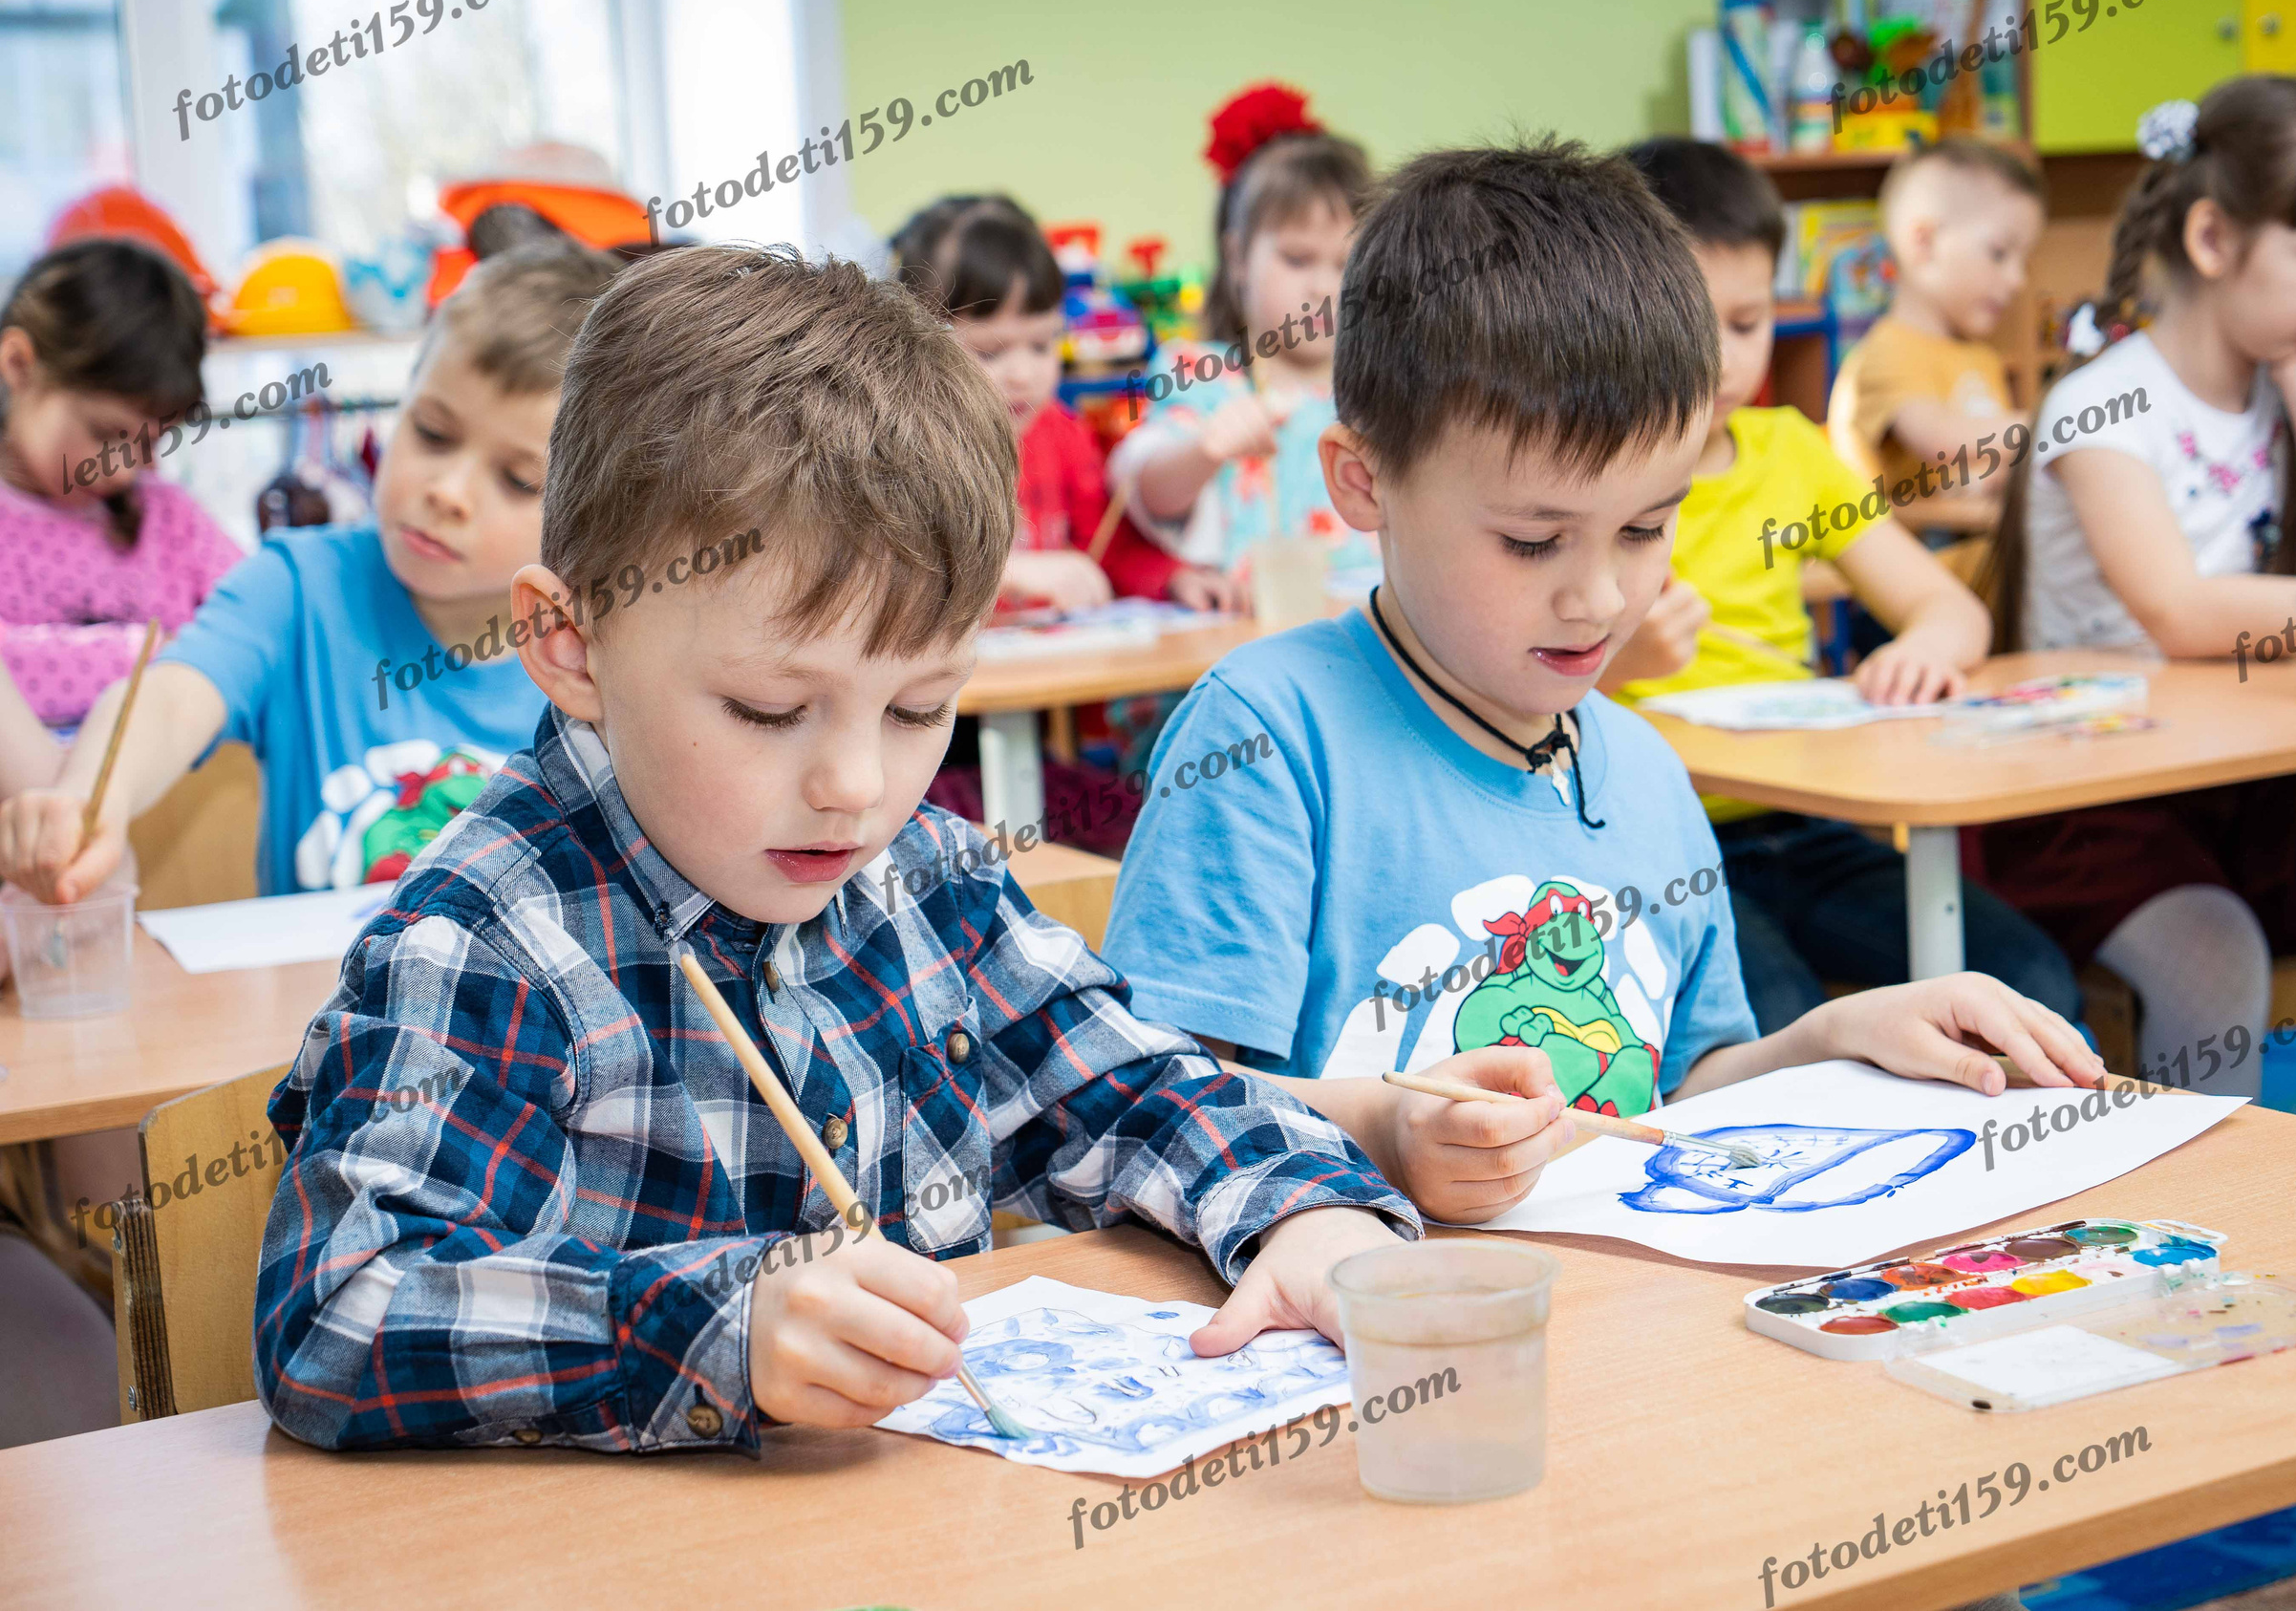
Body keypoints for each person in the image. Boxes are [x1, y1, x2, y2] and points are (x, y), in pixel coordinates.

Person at [248, 246, 1423, 1452]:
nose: (857, 789)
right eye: (767, 711)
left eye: (919, 710)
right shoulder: (485, 941)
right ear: (568, 643)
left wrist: (1315, 1221)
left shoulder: (931, 882)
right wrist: (716, 1327)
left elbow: (1139, 1091)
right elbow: (339, 1310)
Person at [1103, 139, 2099, 1234]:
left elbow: (1679, 1087)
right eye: (1532, 541)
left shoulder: (1644, 769)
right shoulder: (1265, 741)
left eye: (1644, 528)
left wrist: (1830, 1040)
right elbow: (1153, 1114)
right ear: (1363, 480)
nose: (1599, 598)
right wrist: (1385, 1132)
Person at [1979, 79, 2296, 1137]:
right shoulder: (2101, 403)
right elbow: (2180, 612)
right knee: (2213, 959)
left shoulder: (2288, 390)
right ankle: (2203, 1252)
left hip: (2254, 786)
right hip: (2089, 799)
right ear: (2211, 238)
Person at [1605, 137, 2080, 1033]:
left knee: (2028, 979)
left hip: (1807, 819)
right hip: (1651, 842)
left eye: (1746, 325)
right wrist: (1618, 665)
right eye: (1685, 325)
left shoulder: (1791, 452)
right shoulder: (1583, 477)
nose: (1719, 361)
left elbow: (1950, 607)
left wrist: (1923, 648)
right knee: (1768, 1019)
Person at [0, 242, 621, 901]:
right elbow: (170, 700)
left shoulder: (607, 650)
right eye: (432, 434)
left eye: (518, 479)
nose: (448, 490)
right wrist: (87, 797)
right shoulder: (296, 588)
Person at [891, 194, 1234, 614]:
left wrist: (1173, 577)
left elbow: (1110, 547)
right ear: (914, 342)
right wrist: (1010, 574)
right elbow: (887, 577)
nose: (1022, 374)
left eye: (1041, 344)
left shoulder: (1062, 432)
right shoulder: (898, 449)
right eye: (989, 353)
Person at [1110, 81, 1374, 579]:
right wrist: (1206, 448)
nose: (1325, 287)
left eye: (1347, 263)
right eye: (1298, 259)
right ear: (1236, 258)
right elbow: (1148, 493)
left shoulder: (1385, 385)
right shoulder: (1199, 373)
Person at [0, 239, 238, 727]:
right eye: (106, 434)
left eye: (153, 442)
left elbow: (258, 628)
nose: (124, 470)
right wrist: (161, 655)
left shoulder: (172, 520)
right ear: (19, 366)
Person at [1829, 140, 2047, 517]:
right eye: (1999, 253)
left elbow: (1985, 468)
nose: (2017, 281)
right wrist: (2055, 422)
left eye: (2023, 261)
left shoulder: (1981, 358)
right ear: (1924, 243)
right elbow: (1942, 442)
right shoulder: (1887, 353)